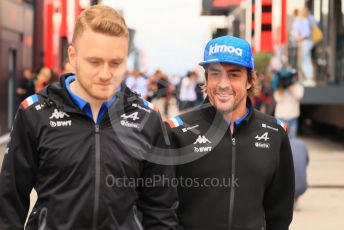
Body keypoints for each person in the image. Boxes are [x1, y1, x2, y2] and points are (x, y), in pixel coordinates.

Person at [0, 5, 177, 229]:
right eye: (94, 62)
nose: (105, 74)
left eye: (116, 63)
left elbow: (160, 208)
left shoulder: (147, 118)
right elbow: (9, 201)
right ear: (72, 56)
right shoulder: (35, 113)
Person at [167, 35, 295, 230]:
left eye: (234, 74)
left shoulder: (276, 133)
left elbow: (280, 211)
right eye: (215, 74)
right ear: (207, 78)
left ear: (249, 81)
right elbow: (161, 207)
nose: (223, 84)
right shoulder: (178, 131)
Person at [273, 69, 304, 138]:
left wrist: (289, 86)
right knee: (279, 139)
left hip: (293, 118)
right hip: (281, 117)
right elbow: (277, 99)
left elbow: (299, 95)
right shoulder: (279, 87)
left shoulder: (298, 87)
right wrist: (281, 87)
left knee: (292, 140)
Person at [292, 7, 318, 86]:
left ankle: (309, 77)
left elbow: (306, 33)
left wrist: (299, 37)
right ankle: (309, 77)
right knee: (307, 59)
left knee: (305, 60)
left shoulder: (304, 21)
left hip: (305, 41)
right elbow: (317, 23)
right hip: (310, 41)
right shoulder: (310, 19)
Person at [289, 137, 309, 211]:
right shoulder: (302, 143)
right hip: (302, 187)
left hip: (287, 189)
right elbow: (306, 162)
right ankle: (295, 200)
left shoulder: (278, 143)